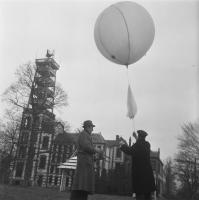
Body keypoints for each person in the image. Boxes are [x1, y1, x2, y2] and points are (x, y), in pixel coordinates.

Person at [70, 120, 103, 200]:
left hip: (86, 162)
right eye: (92, 127)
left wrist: (95, 157)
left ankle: (81, 196)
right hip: (84, 162)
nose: (92, 129)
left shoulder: (86, 135)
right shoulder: (83, 135)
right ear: (88, 127)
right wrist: (96, 150)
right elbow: (86, 147)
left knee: (84, 184)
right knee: (82, 183)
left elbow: (87, 149)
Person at [120, 130, 156, 200]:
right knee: (147, 195)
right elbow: (140, 144)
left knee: (140, 194)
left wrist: (122, 145)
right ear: (144, 137)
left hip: (139, 175)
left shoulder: (137, 145)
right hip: (147, 175)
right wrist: (136, 137)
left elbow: (129, 151)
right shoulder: (147, 145)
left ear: (139, 137)